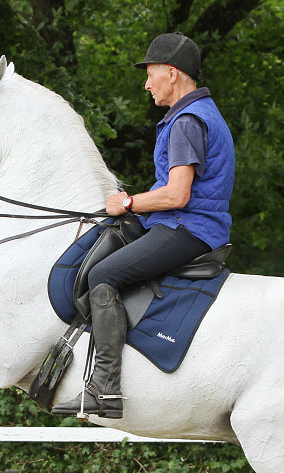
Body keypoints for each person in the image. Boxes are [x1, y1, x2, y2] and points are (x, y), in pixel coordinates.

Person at [52, 32, 236, 419]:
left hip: (188, 228)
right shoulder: (198, 114)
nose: (146, 83)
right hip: (179, 222)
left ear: (172, 73)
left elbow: (177, 195)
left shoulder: (187, 121)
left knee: (103, 275)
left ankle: (105, 388)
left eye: (151, 74)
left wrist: (129, 202)